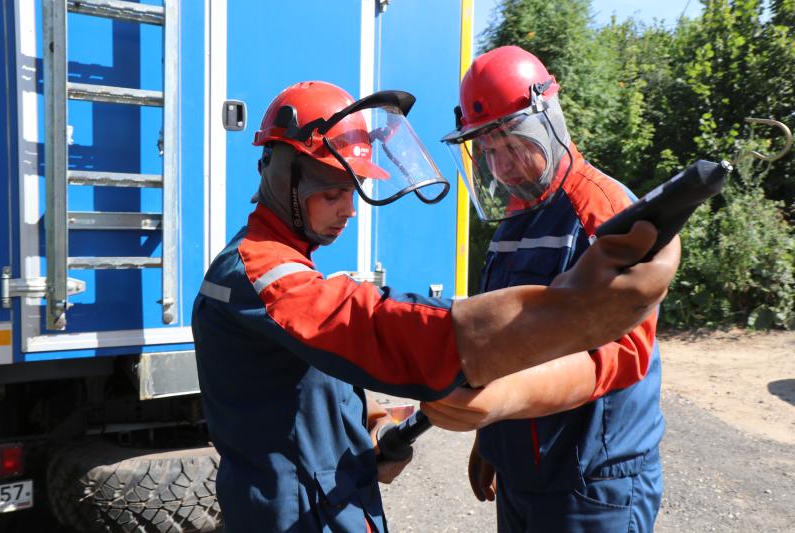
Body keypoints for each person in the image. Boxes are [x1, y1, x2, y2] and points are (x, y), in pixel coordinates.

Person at [191, 80, 680, 532]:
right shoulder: (261, 272)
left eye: (354, 190)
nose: (349, 208)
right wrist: (577, 309)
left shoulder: (285, 264)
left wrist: (372, 421)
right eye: (335, 192)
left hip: (585, 475)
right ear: (282, 177)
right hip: (296, 515)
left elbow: (309, 370)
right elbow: (375, 325)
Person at [425, 45, 671, 532]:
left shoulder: (605, 213)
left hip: (592, 482)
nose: (503, 166)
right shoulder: (514, 220)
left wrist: (501, 403)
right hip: (527, 471)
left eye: (513, 143)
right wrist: (493, 439)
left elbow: (623, 355)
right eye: (489, 151)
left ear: (549, 119)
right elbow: (507, 341)